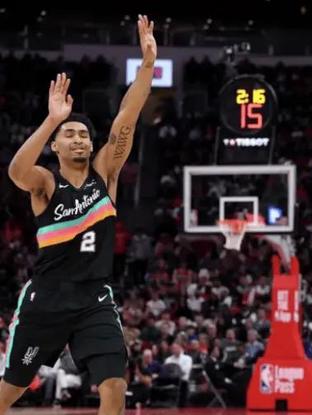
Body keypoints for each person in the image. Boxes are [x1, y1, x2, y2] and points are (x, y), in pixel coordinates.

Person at [0, 15, 156, 415]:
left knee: (115, 385)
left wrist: (147, 65)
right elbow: (16, 171)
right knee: (11, 390)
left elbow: (127, 116)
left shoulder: (105, 173)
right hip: (47, 298)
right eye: (69, 134)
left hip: (94, 297)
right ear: (55, 146)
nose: (79, 139)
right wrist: (52, 120)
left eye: (84, 134)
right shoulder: (45, 182)